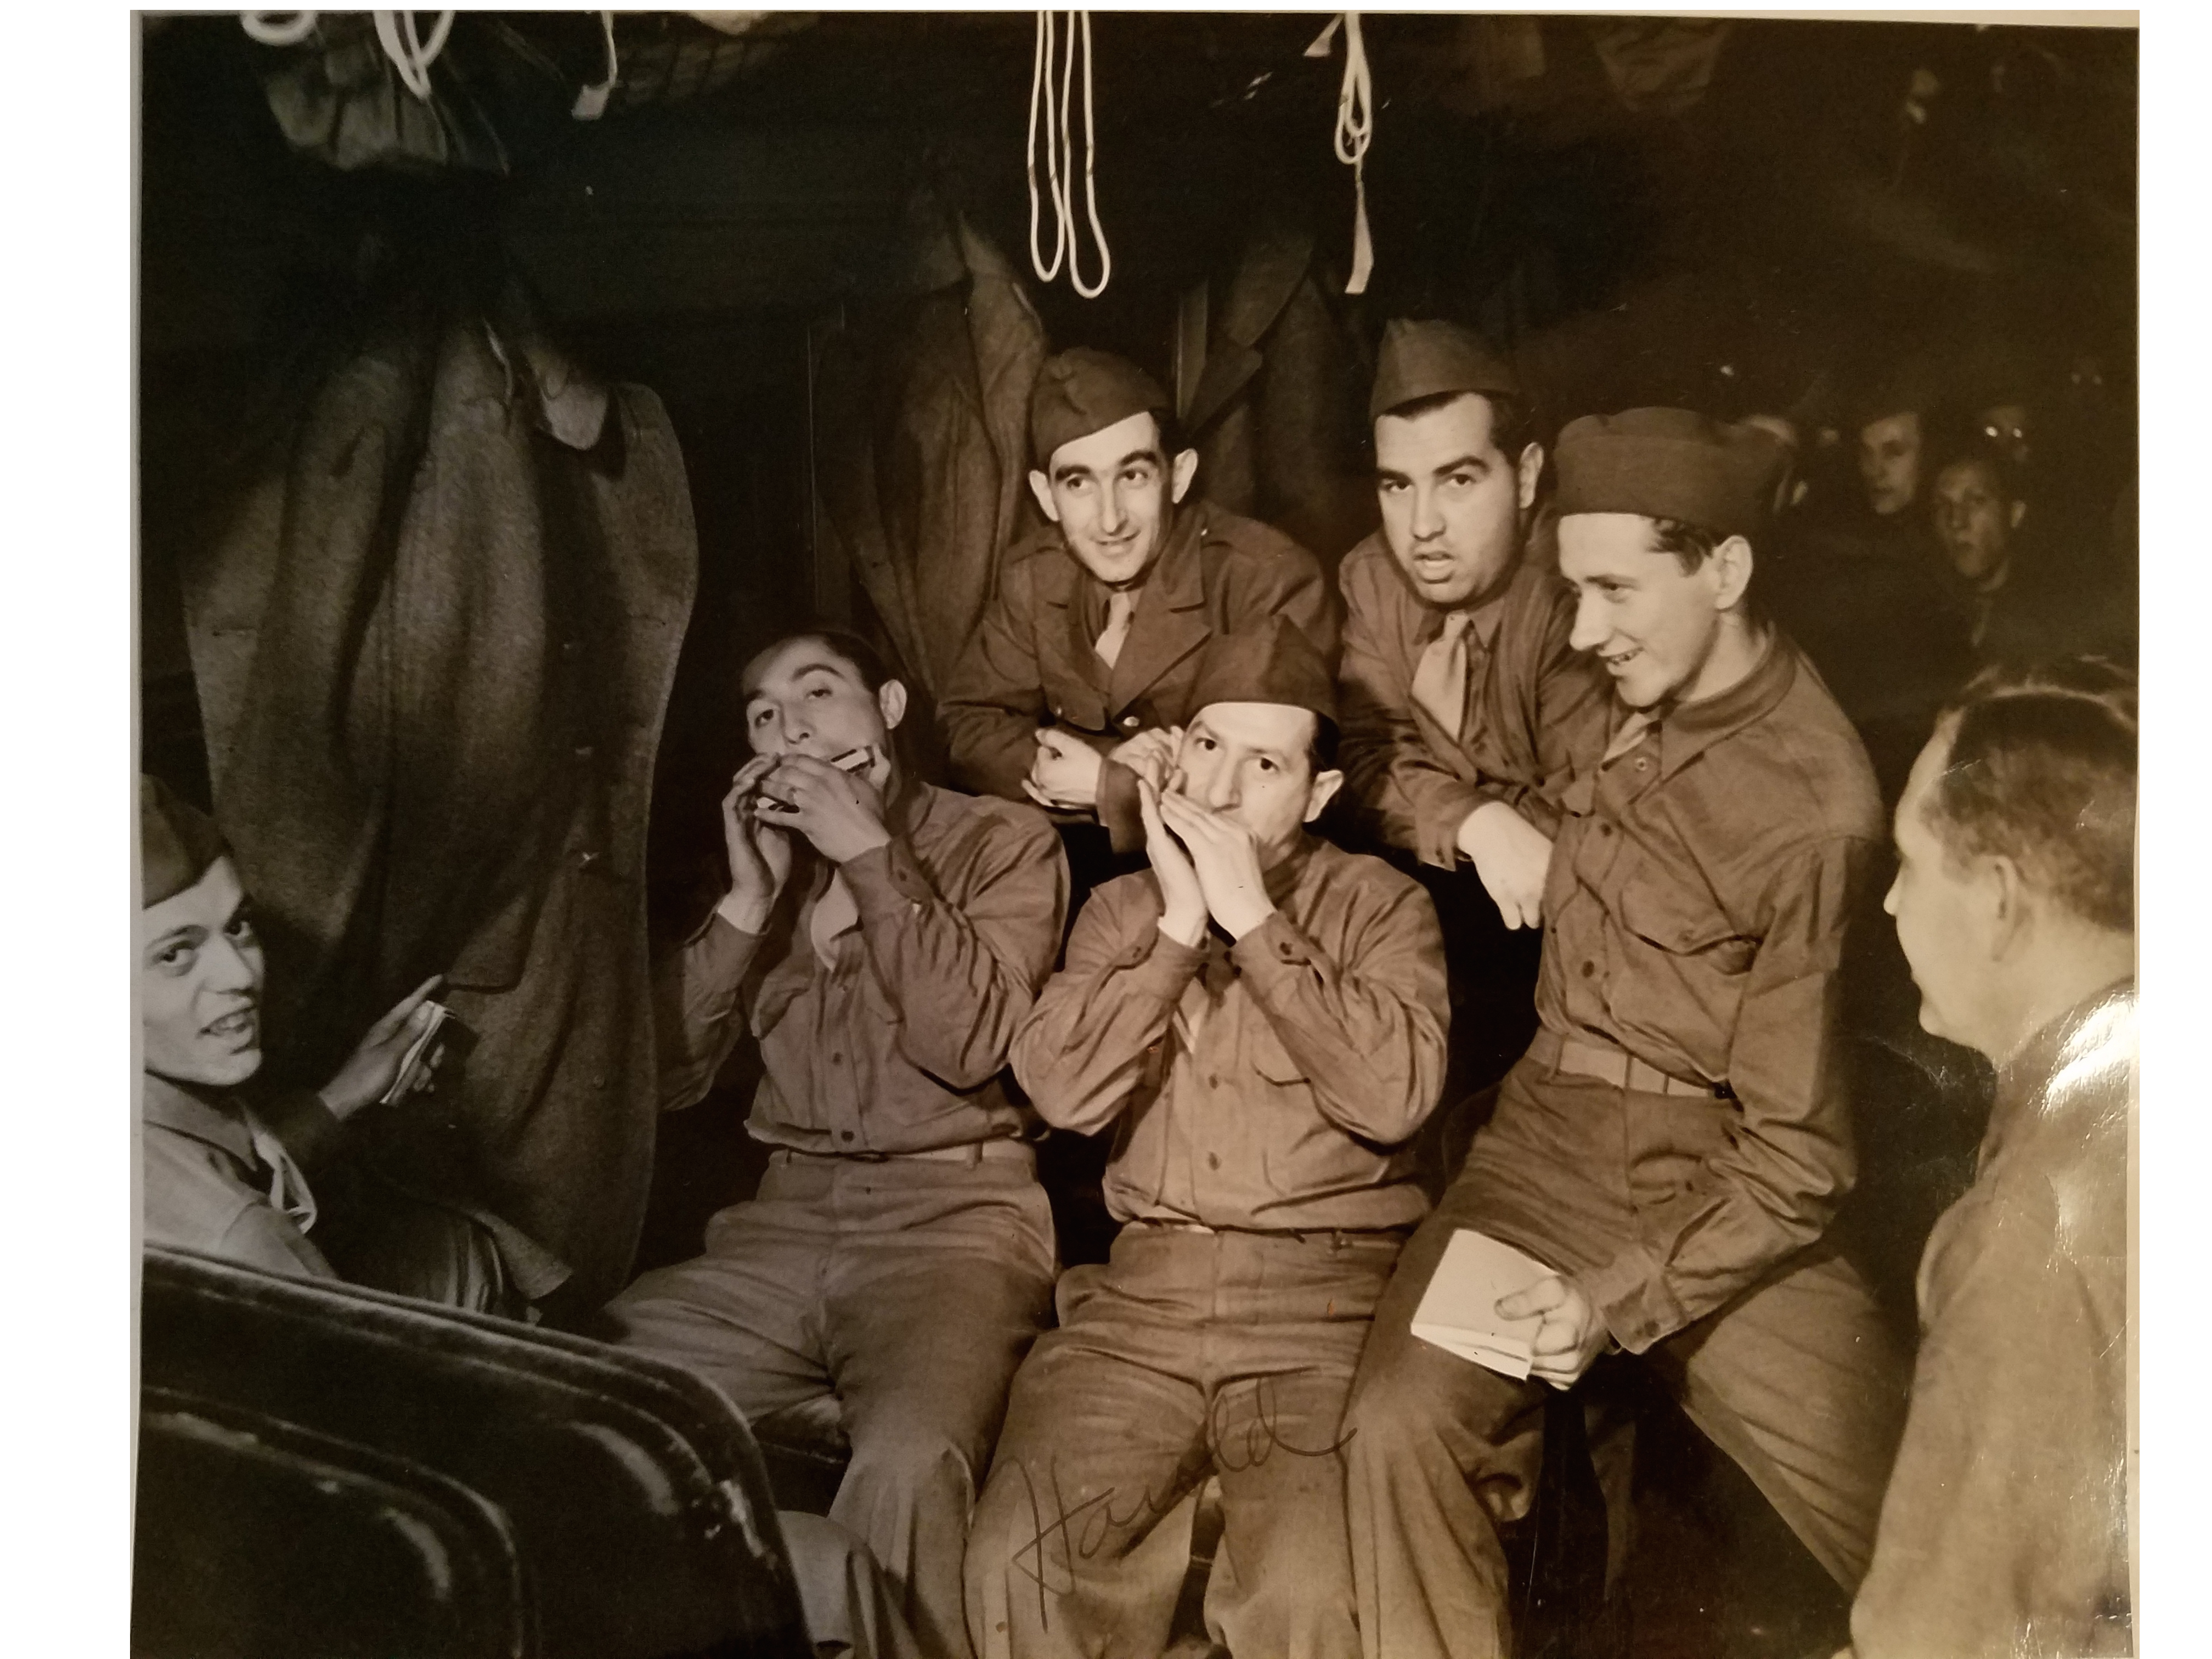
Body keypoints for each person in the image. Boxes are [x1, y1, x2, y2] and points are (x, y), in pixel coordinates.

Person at [1341, 409, 1913, 1659]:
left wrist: (1615, 1296)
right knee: (1395, 1424)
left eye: (1613, 592)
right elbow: (1437, 752)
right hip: (1543, 1141)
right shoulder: (1613, 681)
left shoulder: (1814, 810)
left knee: (1925, 1530)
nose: (1585, 631)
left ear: (1725, 570)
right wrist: (1466, 796)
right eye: (1571, 592)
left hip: (1716, 1193)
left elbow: (1799, 1164)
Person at [963, 619, 1449, 1659]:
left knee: (1315, 1596)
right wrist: (1181, 929)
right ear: (1173, 753)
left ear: (1316, 796)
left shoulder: (1382, 906)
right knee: (1015, 1558)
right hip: (1141, 1308)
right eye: (1208, 746)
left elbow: (1397, 1096)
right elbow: (1055, 1086)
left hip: (1324, 1310)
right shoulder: (1117, 908)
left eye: (1265, 763)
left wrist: (1252, 920)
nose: (1223, 788)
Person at [600, 627, 1070, 1659]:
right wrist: (747, 899)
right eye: (764, 712)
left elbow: (971, 1040)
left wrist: (867, 853)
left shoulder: (1002, 841)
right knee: (599, 1395)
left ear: (890, 709)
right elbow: (665, 1080)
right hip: (781, 1224)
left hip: (955, 1224)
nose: (791, 724)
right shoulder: (765, 870)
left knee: (909, 1456)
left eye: (819, 693)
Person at [1843, 657, 2136, 1659]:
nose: (1888, 904)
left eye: (1911, 863)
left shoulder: (2022, 1236)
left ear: (2000, 902)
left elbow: (1936, 1639)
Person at [139, 775, 554, 1313]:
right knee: (467, 1252)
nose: (239, 973)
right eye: (175, 954)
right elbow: (363, 1391)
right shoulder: (239, 1240)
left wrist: (339, 1098)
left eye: (238, 925)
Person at [1334, 319, 1613, 1106]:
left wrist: (1448, 807)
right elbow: (1362, 754)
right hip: (1444, 912)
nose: (1421, 527)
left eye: (1458, 481)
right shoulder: (1370, 578)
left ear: (1525, 478)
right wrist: (1475, 821)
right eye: (1397, 485)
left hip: (1571, 941)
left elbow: (1584, 824)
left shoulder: (1575, 592)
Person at [939, 348, 1338, 872]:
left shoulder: (1266, 578)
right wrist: (1080, 769)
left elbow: (1280, 785)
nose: (1110, 521)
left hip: (1233, 873)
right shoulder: (1033, 576)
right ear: (1046, 496)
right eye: (1079, 483)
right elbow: (966, 726)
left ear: (1178, 475)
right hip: (1073, 865)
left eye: (1133, 476)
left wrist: (1111, 787)